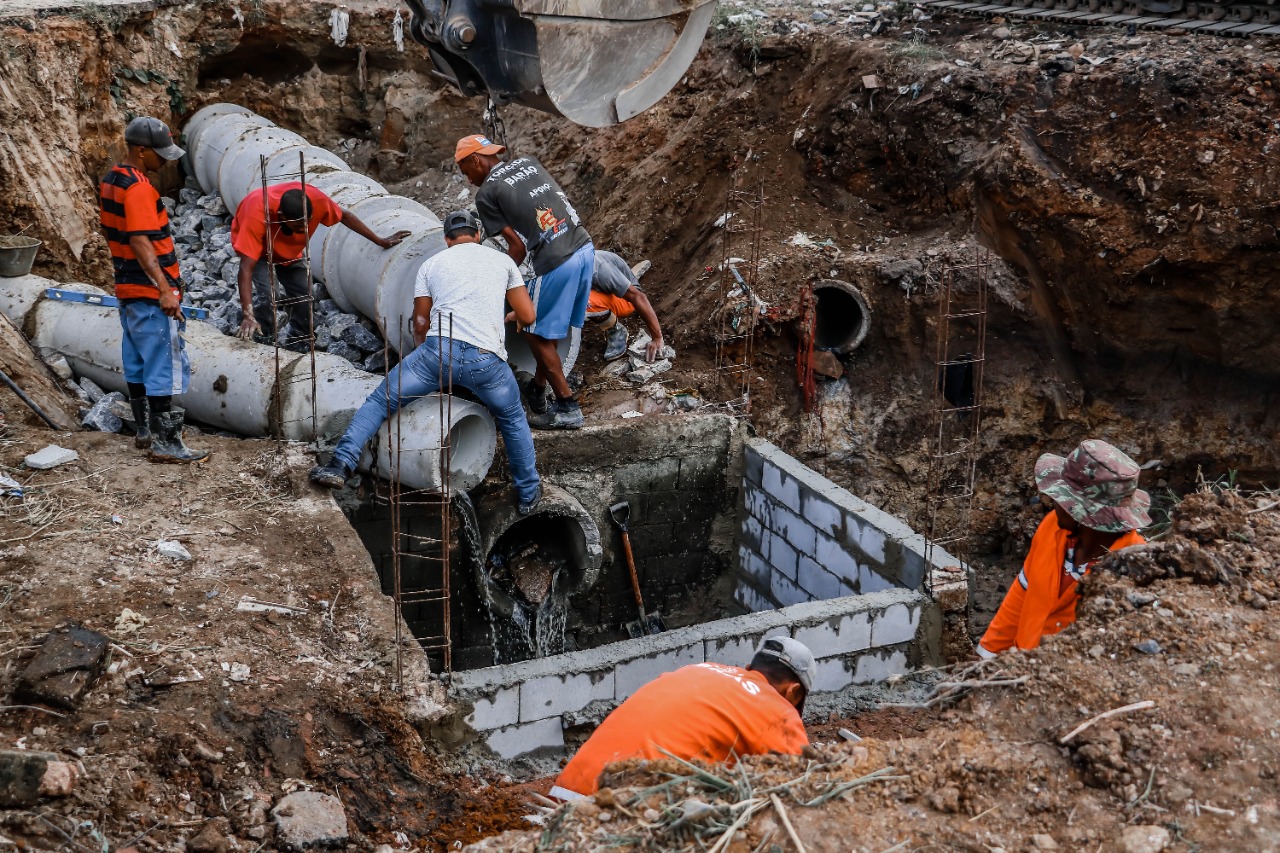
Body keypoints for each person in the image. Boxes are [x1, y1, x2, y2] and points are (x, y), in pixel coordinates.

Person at [309, 210, 543, 514]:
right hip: (487, 361)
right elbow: (528, 316)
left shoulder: (431, 265)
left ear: (447, 239)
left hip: (438, 352)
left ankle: (340, 465)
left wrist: (423, 358)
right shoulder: (503, 262)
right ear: (477, 235)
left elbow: (420, 322)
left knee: (380, 402)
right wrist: (509, 316)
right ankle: (528, 494)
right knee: (512, 419)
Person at [550, 636, 814, 801]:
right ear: (793, 691)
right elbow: (804, 781)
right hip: (617, 809)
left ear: (749, 668)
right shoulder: (779, 709)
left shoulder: (700, 668)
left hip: (566, 790)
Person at [455, 134, 593, 430]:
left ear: (476, 160)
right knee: (548, 326)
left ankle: (568, 406)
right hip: (584, 248)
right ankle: (538, 389)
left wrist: (498, 284)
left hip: (556, 259)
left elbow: (516, 248)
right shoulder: (528, 163)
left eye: (467, 172)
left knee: (533, 331)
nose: (469, 180)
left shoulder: (486, 193)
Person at [98, 116, 208, 463]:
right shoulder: (140, 188)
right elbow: (141, 240)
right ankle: (167, 443)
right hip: (149, 290)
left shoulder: (112, 180)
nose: (166, 161)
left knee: (136, 357)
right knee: (164, 362)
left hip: (127, 286)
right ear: (141, 151)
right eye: (160, 154)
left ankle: (145, 431)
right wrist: (164, 289)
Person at [978, 439, 1150, 657]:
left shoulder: (1133, 570)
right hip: (1019, 671)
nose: (1053, 502)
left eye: (1061, 497)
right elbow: (1022, 593)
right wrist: (986, 655)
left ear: (1081, 513)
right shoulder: (1051, 527)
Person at [231, 182, 409, 347]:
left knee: (304, 294)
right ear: (281, 217)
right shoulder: (256, 212)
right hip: (260, 250)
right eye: (299, 228)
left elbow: (345, 216)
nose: (304, 231)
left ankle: (300, 340)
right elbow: (246, 268)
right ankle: (263, 337)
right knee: (269, 295)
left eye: (306, 225)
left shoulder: (316, 200)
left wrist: (380, 241)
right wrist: (248, 315)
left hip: (289, 250)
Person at [588, 250, 665, 362]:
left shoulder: (600, 269)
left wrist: (657, 338)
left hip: (625, 300)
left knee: (583, 302)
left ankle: (615, 331)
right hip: (602, 289)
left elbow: (638, 297)